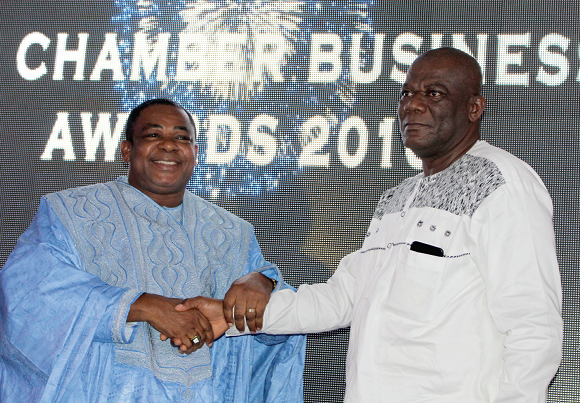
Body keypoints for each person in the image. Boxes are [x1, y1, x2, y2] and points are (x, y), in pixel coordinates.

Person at [179, 48, 563, 402]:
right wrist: (228, 317)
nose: (412, 105)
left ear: (475, 107)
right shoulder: (395, 199)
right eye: (407, 94)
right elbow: (339, 300)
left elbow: (533, 328)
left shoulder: (503, 185)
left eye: (434, 94)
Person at [0, 98, 305, 402]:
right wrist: (143, 306)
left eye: (182, 137)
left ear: (195, 154)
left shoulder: (233, 231)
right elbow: (26, 290)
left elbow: (276, 319)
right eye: (153, 135)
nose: (169, 145)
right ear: (127, 150)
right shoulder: (71, 212)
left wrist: (264, 282)